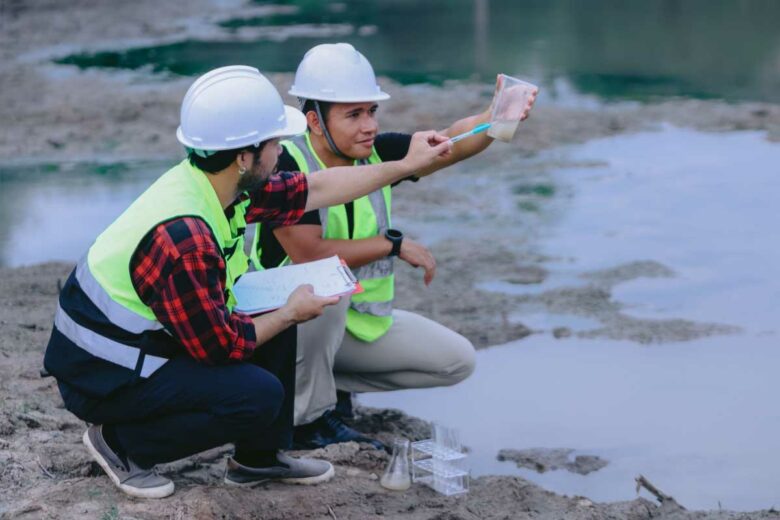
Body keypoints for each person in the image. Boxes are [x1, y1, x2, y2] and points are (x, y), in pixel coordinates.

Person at [42, 65, 452, 499]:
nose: (282, 152)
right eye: (275, 144)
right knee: (255, 394)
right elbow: (222, 347)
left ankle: (258, 459)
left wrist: (404, 164)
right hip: (105, 373)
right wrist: (291, 312)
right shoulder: (186, 237)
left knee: (266, 310)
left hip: (137, 342)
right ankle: (122, 445)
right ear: (244, 156)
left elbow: (318, 188)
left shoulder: (219, 184)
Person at [250, 44, 537, 449]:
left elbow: (450, 143)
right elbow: (308, 254)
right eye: (353, 115)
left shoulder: (375, 154)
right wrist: (392, 245)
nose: (368, 125)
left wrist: (493, 118)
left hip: (345, 328)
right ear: (314, 120)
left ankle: (323, 385)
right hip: (280, 330)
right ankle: (306, 423)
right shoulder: (287, 165)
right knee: (322, 284)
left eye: (371, 111)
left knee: (456, 360)